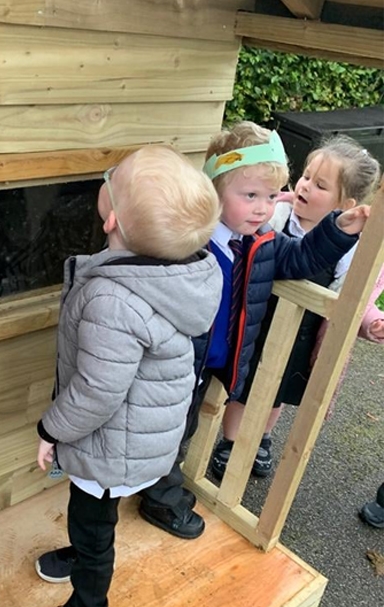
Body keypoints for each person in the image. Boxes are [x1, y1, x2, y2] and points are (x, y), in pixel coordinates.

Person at [24, 146, 222, 607]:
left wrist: (51, 430)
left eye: (112, 177)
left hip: (114, 442)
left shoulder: (113, 298)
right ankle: (81, 550)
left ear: (109, 216)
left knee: (91, 517)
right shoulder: (187, 272)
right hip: (140, 435)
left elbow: (96, 391)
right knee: (95, 512)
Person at [136, 122, 369, 540]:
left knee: (181, 428)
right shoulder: (192, 244)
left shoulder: (260, 241)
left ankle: (153, 484)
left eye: (269, 197)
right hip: (175, 362)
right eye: (250, 196)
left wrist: (337, 230)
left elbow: (299, 259)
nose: (264, 208)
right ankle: (160, 499)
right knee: (163, 430)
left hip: (208, 365)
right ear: (213, 190)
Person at [215, 136, 382, 480]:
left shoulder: (351, 248)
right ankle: (230, 441)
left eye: (320, 185)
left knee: (278, 391)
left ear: (345, 204)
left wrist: (372, 321)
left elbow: (353, 296)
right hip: (260, 321)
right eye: (306, 176)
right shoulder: (274, 216)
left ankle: (261, 437)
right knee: (245, 388)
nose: (304, 185)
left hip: (301, 335)